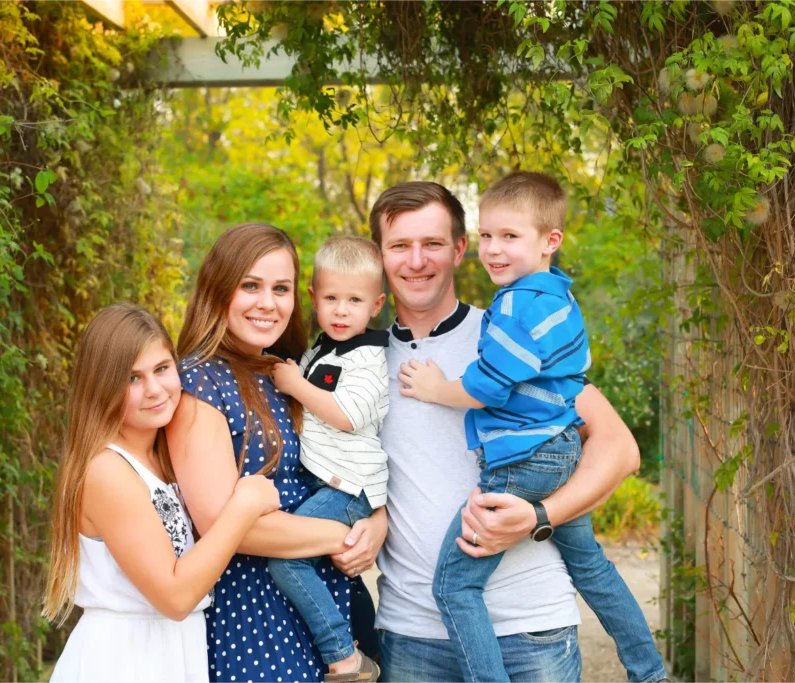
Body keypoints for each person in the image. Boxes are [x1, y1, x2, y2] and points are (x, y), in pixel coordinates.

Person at [367, 181, 664, 683]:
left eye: (433, 244)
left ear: (460, 249)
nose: (416, 260)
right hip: (409, 638)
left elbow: (619, 448)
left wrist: (539, 516)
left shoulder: (505, 330)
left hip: (531, 635)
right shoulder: (355, 362)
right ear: (380, 254)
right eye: (399, 245)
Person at [165, 224, 388, 683]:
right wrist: (342, 538)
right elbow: (222, 526)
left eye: (280, 288)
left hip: (320, 605)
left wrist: (376, 524)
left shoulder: (282, 372)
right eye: (251, 285)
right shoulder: (199, 383)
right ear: (218, 289)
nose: (268, 302)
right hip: (253, 616)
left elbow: (339, 464)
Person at [42, 304, 280, 683]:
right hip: (125, 659)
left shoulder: (161, 459)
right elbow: (174, 597)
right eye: (132, 378)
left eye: (161, 369)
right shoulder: (106, 470)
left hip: (169, 650)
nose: (154, 389)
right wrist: (245, 506)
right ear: (101, 384)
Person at [267, 236, 389, 682]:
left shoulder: (370, 357)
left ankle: (345, 656)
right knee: (337, 573)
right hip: (330, 482)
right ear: (314, 298)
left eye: (354, 300)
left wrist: (294, 383)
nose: (341, 310)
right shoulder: (321, 350)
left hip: (349, 486)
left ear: (375, 304)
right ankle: (357, 637)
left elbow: (349, 414)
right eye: (332, 298)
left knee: (287, 559)